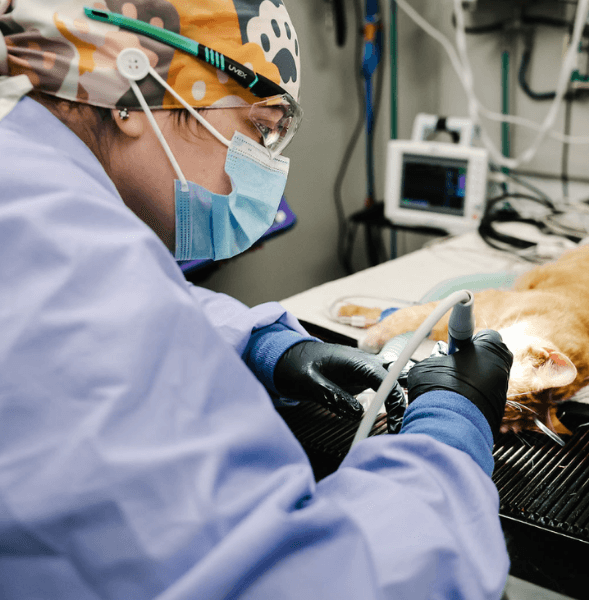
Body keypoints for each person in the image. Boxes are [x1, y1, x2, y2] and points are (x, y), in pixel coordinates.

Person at [0, 1, 514, 598]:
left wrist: (263, 344)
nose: (264, 168)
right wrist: (450, 431)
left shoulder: (30, 185)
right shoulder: (63, 249)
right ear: (135, 83)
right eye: (259, 128)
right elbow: (307, 580)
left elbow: (104, 315)